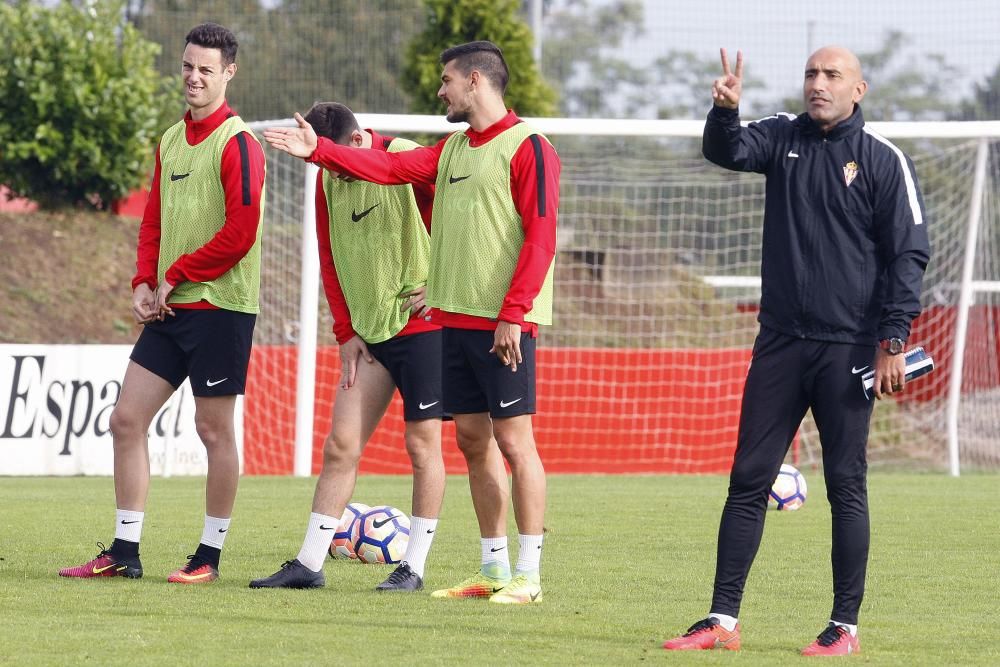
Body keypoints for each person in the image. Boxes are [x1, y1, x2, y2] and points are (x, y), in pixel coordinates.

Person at [264, 41, 560, 604]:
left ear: (475, 80)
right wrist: (316, 155)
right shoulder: (451, 151)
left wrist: (513, 314)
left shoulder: (531, 148)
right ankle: (493, 569)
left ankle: (529, 576)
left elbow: (542, 237)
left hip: (504, 325)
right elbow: (389, 165)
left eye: (447, 80)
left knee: (515, 443)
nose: (440, 90)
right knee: (474, 442)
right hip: (455, 323)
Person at [662, 47, 930, 655]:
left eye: (832, 75)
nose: (818, 83)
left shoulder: (884, 161)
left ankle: (844, 627)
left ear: (858, 88)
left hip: (851, 350)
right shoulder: (782, 136)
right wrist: (724, 112)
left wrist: (893, 340)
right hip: (780, 343)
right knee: (747, 478)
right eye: (811, 73)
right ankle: (720, 620)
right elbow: (724, 151)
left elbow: (909, 255)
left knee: (846, 484)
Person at [59, 22, 266, 585]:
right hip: (171, 309)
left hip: (221, 309)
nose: (193, 77)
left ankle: (209, 557)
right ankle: (125, 552)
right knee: (126, 420)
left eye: (206, 69)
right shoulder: (171, 140)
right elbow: (152, 222)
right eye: (187, 66)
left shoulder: (239, 143)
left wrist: (176, 274)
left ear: (229, 73)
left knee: (213, 431)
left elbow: (241, 231)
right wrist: (141, 282)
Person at [248, 102, 447, 592]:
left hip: (423, 329)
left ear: (354, 143)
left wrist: (443, 284)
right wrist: (345, 332)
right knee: (340, 445)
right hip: (370, 336)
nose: (322, 168)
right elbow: (329, 255)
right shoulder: (326, 181)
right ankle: (309, 563)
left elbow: (462, 225)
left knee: (421, 447)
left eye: (325, 156)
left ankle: (414, 568)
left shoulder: (403, 156)